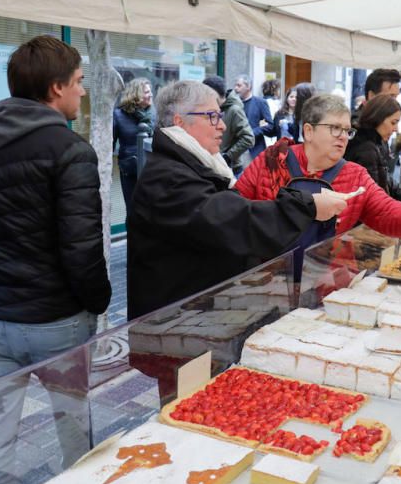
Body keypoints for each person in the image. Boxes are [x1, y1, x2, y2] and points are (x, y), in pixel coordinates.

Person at [0, 35, 111, 484]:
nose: (83, 92)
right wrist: (97, 303)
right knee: (76, 433)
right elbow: (82, 251)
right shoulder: (70, 150)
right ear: (55, 88)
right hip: (56, 322)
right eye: (78, 83)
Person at [127, 80, 347, 319]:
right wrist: (307, 206)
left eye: (220, 116)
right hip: (170, 322)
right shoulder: (168, 177)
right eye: (212, 116)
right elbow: (232, 219)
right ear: (180, 122)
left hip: (194, 314)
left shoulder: (195, 166)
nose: (222, 125)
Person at [237, 93, 401, 243]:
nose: (342, 136)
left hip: (321, 280)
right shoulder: (271, 161)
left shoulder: (353, 175)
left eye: (347, 130)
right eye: (334, 128)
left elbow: (389, 213)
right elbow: (236, 209)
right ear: (309, 131)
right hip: (265, 277)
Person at [345, 94, 401, 202]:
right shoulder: (366, 149)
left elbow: (385, 178)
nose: (396, 129)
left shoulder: (373, 142)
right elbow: (373, 199)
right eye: (393, 122)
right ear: (378, 118)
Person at [112, 77, 154, 212]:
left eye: (150, 91)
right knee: (133, 211)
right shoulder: (119, 115)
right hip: (130, 172)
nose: (151, 95)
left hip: (152, 170)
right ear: (136, 94)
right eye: (147, 92)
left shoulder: (153, 114)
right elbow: (110, 144)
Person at [202, 75, 253, 174]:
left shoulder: (235, 110)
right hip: (212, 165)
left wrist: (228, 156)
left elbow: (249, 138)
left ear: (214, 93)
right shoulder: (211, 108)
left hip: (232, 170)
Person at [234, 74, 274, 158]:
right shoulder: (233, 104)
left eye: (239, 85)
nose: (236, 88)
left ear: (248, 87)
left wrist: (252, 133)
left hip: (254, 150)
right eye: (235, 85)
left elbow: (270, 126)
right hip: (236, 151)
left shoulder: (260, 102)